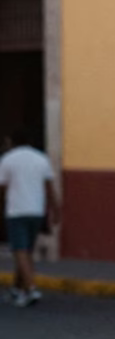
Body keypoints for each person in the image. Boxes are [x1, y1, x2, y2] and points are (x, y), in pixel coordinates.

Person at [0, 129, 59, 307]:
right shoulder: (41, 158)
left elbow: (2, 187)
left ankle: (32, 289)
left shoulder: (7, 159)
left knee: (20, 251)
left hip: (17, 210)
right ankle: (17, 289)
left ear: (11, 141)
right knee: (26, 251)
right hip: (36, 211)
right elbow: (49, 187)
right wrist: (56, 210)